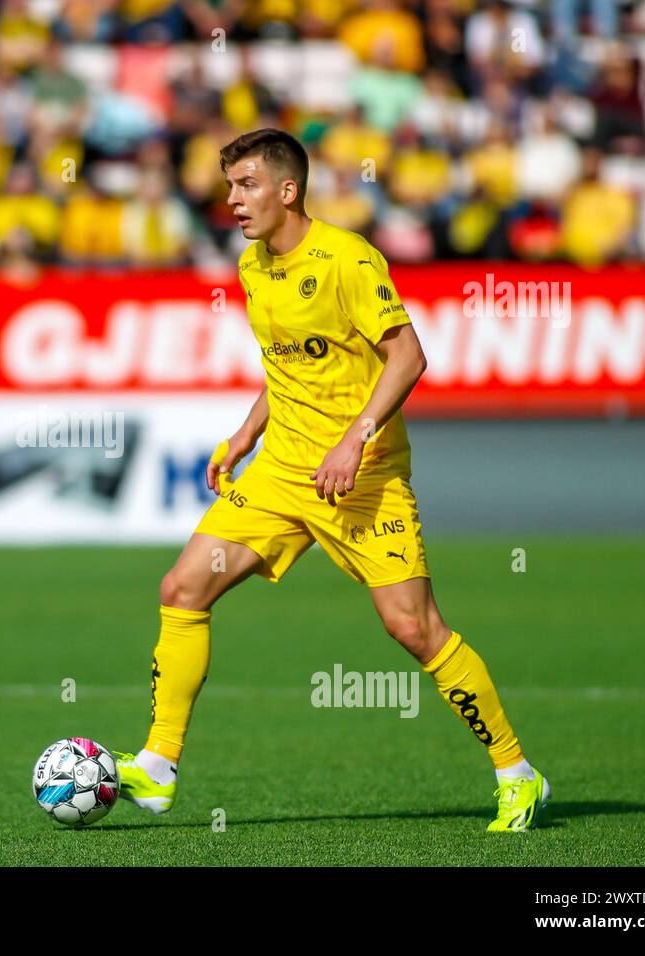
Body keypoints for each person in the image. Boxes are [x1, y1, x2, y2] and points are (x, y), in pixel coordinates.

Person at [113, 128, 551, 832]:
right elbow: (286, 364)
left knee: (412, 628)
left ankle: (517, 773)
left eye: (247, 185)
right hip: (285, 470)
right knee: (183, 587)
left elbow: (407, 357)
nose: (233, 200)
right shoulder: (254, 265)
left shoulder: (348, 259)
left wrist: (355, 438)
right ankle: (158, 768)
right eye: (228, 187)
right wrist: (246, 434)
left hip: (364, 478)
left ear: (288, 190)